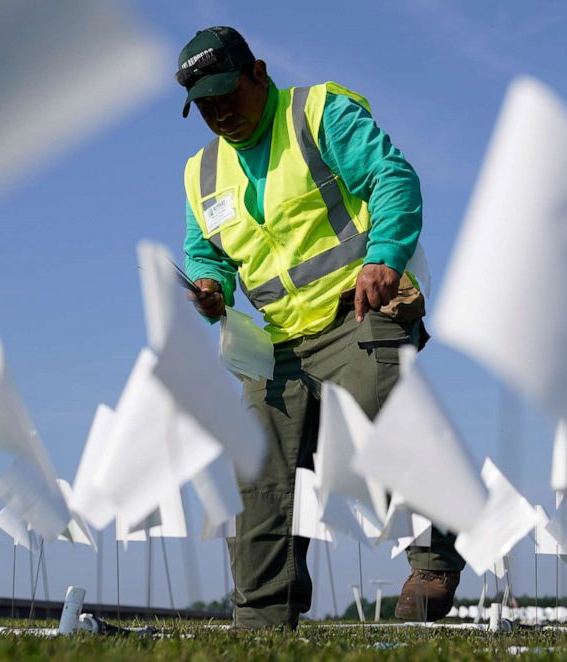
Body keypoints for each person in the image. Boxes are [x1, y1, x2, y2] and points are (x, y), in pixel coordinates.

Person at [175, 26, 463, 629]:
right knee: (256, 472)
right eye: (205, 105)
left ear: (258, 72)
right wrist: (211, 286)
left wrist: (385, 257)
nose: (220, 111)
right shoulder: (200, 174)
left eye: (228, 92)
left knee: (379, 407)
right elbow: (205, 252)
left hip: (357, 310)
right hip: (274, 343)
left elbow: (393, 178)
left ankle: (433, 562)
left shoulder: (318, 113)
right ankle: (262, 618)